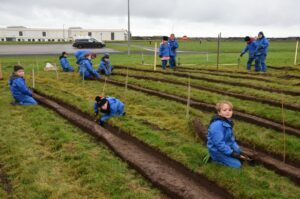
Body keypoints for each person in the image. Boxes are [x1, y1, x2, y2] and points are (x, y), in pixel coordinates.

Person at [207, 101, 243, 168]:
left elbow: (231, 140)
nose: (228, 112)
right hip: (217, 151)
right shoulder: (217, 125)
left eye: (230, 110)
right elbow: (219, 144)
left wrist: (237, 150)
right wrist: (231, 153)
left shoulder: (228, 122)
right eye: (224, 110)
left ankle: (228, 156)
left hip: (225, 147)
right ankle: (214, 160)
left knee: (239, 153)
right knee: (237, 165)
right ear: (219, 112)